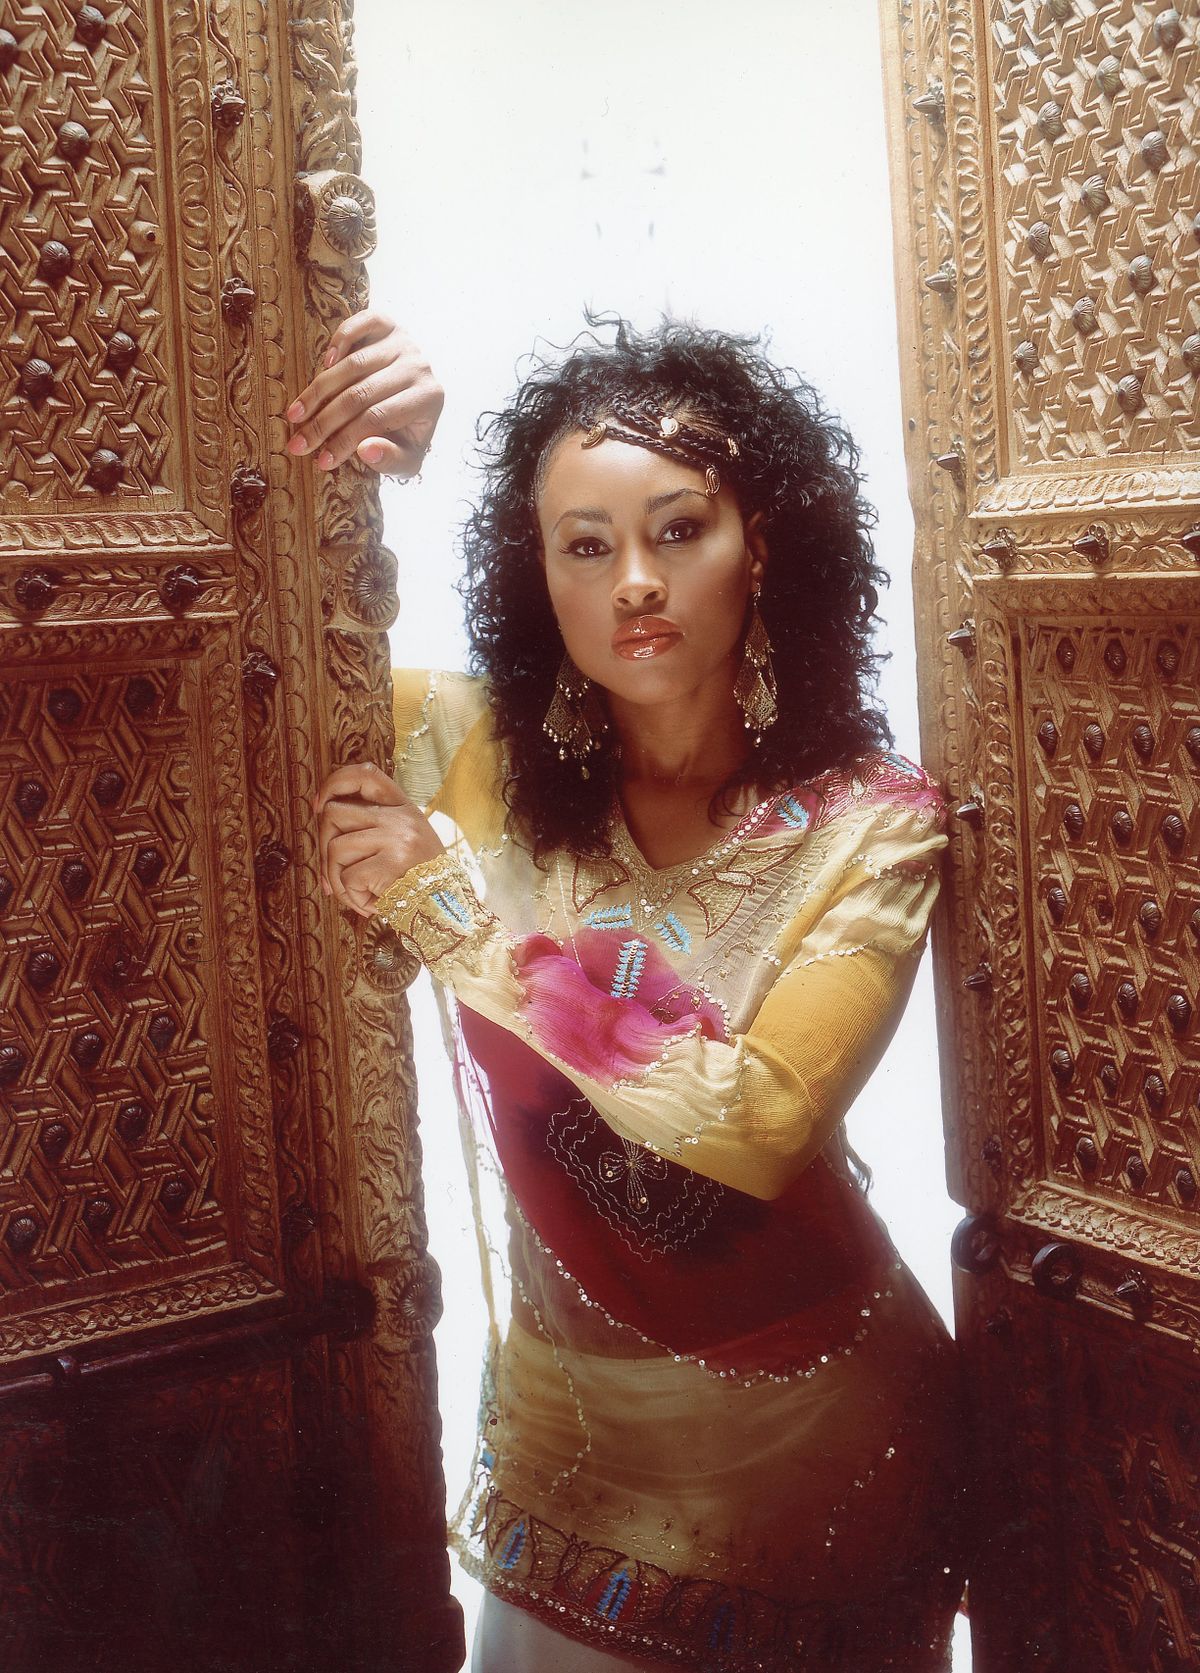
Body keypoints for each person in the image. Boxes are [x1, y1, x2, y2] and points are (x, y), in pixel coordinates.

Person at [301, 311, 967, 1672]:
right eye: (587, 545)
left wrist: (448, 916)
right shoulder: (471, 750)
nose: (637, 584)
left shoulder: (874, 823)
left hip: (818, 1441)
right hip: (564, 1446)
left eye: (680, 529)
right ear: (536, 570)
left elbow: (760, 1120)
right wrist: (360, 475)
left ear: (762, 544)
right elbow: (257, 664)